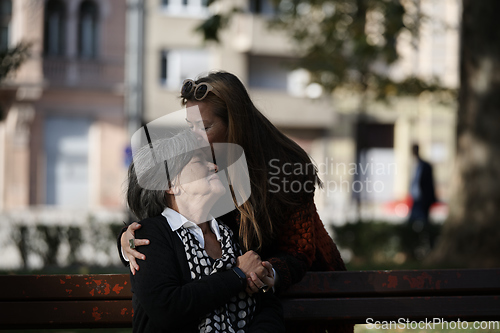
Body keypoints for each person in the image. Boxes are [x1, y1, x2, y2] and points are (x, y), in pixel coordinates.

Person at [120, 71, 352, 332]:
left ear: (235, 124)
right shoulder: (208, 160)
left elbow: (300, 251)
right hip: (237, 291)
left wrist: (264, 273)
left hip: (309, 289)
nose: (195, 138)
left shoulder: (286, 165)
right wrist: (130, 238)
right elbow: (174, 222)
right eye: (191, 126)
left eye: (205, 127)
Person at [127, 129, 284, 332]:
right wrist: (237, 275)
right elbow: (166, 309)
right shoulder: (149, 236)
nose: (214, 166)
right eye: (200, 161)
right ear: (170, 184)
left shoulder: (233, 233)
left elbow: (267, 305)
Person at [408, 144, 438, 250]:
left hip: (423, 200)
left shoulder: (425, 165)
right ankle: (412, 247)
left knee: (425, 225)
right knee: (411, 224)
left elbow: (429, 184)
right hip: (415, 200)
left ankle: (429, 246)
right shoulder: (414, 165)